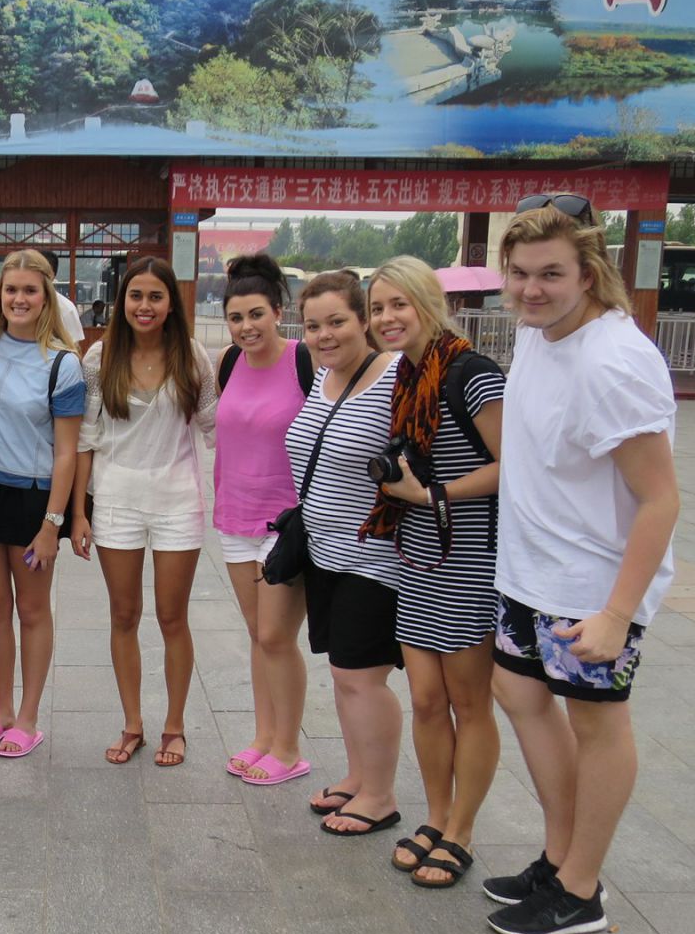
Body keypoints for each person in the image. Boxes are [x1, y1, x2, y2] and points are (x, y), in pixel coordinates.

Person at [484, 201, 678, 934]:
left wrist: (617, 615)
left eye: (551, 275)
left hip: (592, 586)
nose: (531, 290)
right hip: (530, 571)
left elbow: (660, 499)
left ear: (589, 274)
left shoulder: (613, 363)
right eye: (520, 274)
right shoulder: (537, 331)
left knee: (597, 724)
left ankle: (581, 890)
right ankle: (559, 856)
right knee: (518, 693)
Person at [359, 256, 505, 888]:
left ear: (428, 303)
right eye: (377, 308)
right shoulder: (407, 375)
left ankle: (461, 830)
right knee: (424, 699)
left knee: (469, 702)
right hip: (419, 555)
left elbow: (515, 464)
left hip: (470, 557)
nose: (387, 317)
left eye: (400, 304)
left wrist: (432, 494)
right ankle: (436, 817)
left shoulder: (472, 372)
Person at [71, 257, 216, 768]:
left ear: (171, 303)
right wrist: (78, 513)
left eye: (156, 296)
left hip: (178, 501)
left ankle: (174, 726)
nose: (145, 306)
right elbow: (85, 439)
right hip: (116, 500)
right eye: (136, 296)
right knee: (124, 615)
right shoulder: (100, 357)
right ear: (122, 301)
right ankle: (132, 723)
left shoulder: (192, 356)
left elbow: (216, 425)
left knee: (173, 617)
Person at [284, 271, 405, 835]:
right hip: (324, 552)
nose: (324, 335)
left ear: (364, 320)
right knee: (342, 673)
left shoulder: (393, 377)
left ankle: (380, 795)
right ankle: (359, 776)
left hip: (375, 558)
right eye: (313, 326)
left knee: (362, 677)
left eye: (337, 322)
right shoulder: (324, 376)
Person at [0, 249, 84, 760]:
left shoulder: (63, 363)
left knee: (31, 610)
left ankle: (29, 717)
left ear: (46, 296)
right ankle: (2, 709)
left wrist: (53, 523)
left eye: (30, 290)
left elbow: (67, 452)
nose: (19, 299)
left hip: (32, 499)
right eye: (11, 289)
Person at [213, 254, 312, 787]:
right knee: (258, 635)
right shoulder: (229, 362)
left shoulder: (304, 360)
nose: (246, 327)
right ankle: (263, 737)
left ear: (278, 311)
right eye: (236, 317)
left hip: (287, 523)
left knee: (277, 636)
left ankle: (289, 749)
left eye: (256, 314)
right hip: (235, 517)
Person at [39, 251, 87, 352]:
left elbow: (74, 346)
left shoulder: (66, 308)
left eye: (39, 271)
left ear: (51, 275)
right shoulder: (20, 304)